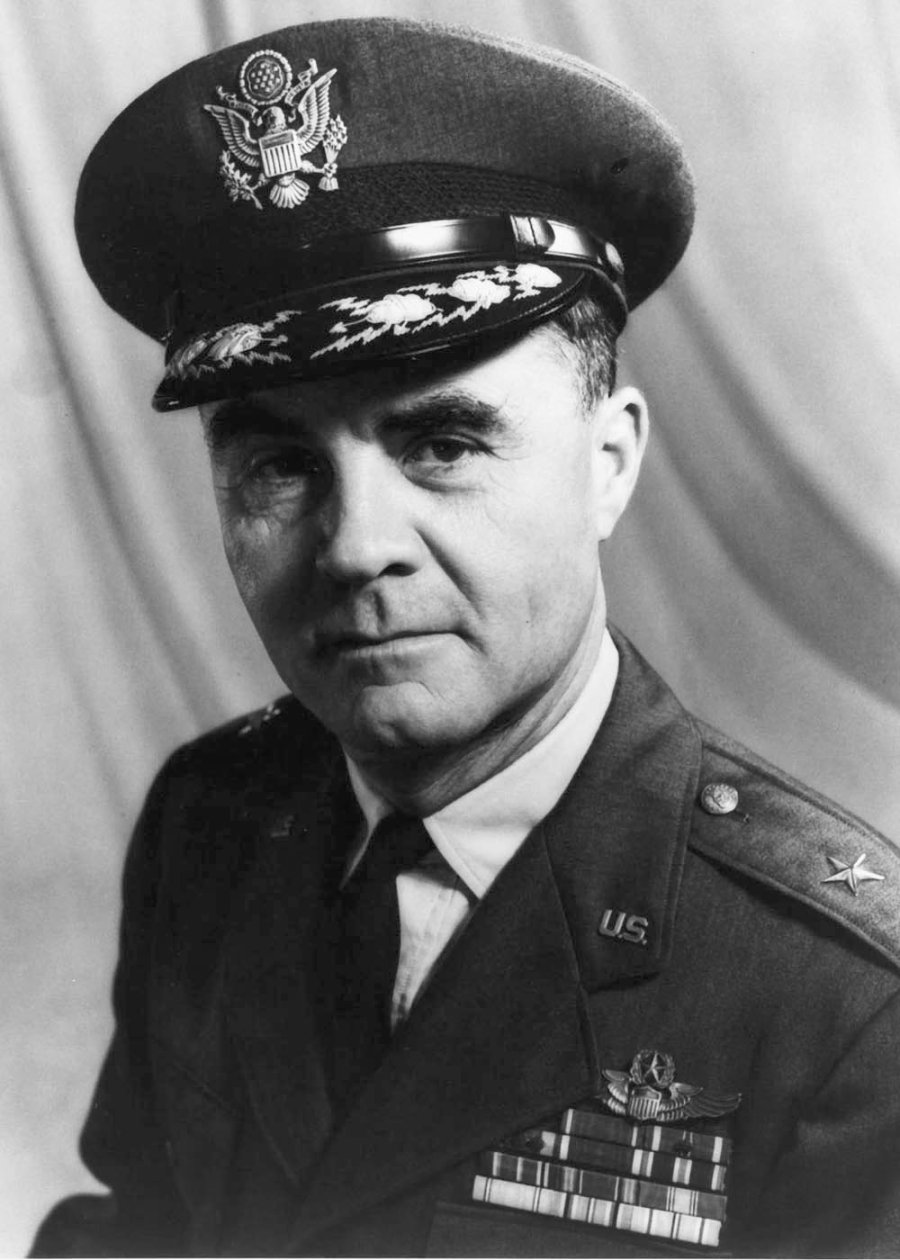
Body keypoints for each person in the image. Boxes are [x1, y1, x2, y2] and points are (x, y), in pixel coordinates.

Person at [32, 16, 900, 1259]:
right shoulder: (208, 828)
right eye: (280, 465)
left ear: (610, 463)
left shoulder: (846, 1000)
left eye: (442, 443)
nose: (354, 546)